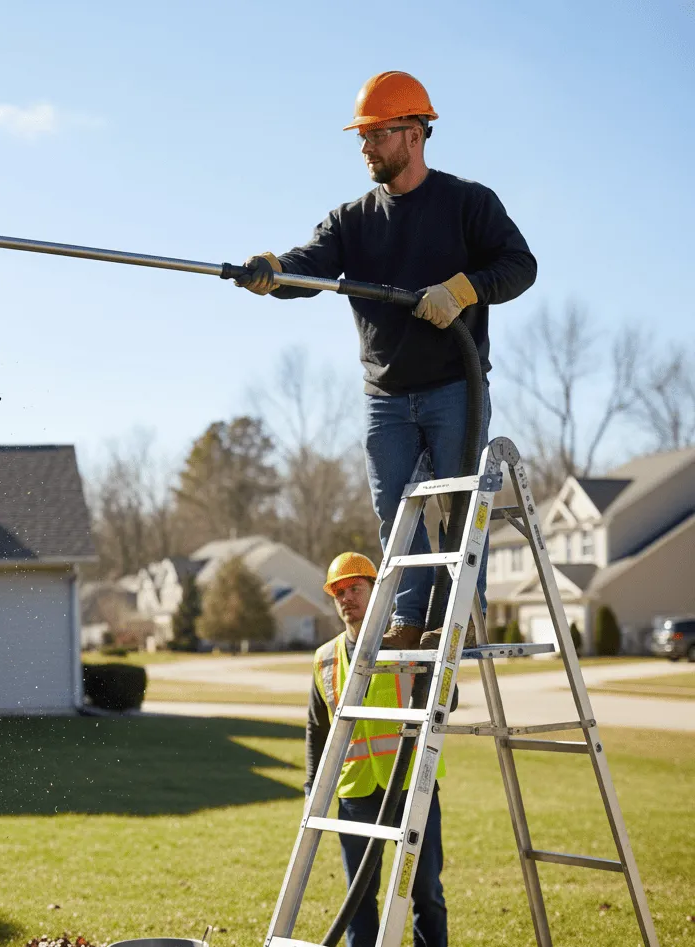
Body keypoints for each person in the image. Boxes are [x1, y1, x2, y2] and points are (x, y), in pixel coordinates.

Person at [239, 71, 537, 647]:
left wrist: (464, 290)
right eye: (363, 136)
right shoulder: (353, 219)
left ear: (414, 134)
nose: (365, 146)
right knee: (395, 512)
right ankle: (407, 621)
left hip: (456, 385)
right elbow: (311, 266)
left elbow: (519, 265)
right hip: (386, 396)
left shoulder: (467, 203)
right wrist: (271, 273)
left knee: (456, 507)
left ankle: (457, 622)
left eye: (377, 134)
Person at [309, 551, 447, 946]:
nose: (346, 599)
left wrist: (432, 670)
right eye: (339, 593)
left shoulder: (408, 644)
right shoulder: (324, 659)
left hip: (410, 788)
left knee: (426, 895)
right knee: (358, 901)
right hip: (356, 794)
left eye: (355, 588)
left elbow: (448, 703)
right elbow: (317, 730)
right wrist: (310, 786)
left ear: (379, 592)